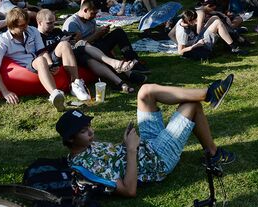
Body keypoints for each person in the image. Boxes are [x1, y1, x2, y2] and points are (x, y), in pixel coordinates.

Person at [56, 75, 235, 197]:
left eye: (89, 126)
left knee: (145, 92)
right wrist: (132, 150)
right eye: (83, 131)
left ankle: (209, 93)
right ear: (70, 139)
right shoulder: (87, 166)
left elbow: (115, 160)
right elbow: (129, 190)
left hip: (145, 147)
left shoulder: (85, 145)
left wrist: (126, 144)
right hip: (157, 160)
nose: (91, 132)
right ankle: (213, 154)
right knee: (191, 106)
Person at [0, 8, 89, 109]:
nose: (25, 28)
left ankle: (75, 83)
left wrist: (50, 65)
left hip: (40, 61)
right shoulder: (2, 41)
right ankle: (54, 94)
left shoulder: (32, 30)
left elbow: (42, 51)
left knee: (65, 44)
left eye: (26, 24)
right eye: (21, 26)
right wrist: (5, 92)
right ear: (11, 26)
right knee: (40, 60)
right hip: (24, 67)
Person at [36, 9, 141, 93]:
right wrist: (51, 62)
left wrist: (72, 38)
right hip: (54, 58)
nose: (52, 26)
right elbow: (42, 53)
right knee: (71, 44)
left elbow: (70, 42)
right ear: (39, 23)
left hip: (70, 54)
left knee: (87, 57)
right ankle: (117, 65)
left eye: (54, 22)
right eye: (49, 23)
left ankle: (120, 83)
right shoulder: (37, 36)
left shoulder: (57, 31)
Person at [63, 0, 149, 74]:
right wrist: (96, 35)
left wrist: (103, 32)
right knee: (99, 45)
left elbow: (96, 36)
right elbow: (78, 47)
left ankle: (132, 60)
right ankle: (122, 68)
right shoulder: (73, 23)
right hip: (86, 52)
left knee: (119, 32)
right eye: (93, 13)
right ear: (85, 10)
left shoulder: (91, 20)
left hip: (96, 45)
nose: (94, 16)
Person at [172, 10, 247, 60]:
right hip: (199, 45)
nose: (197, 21)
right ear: (189, 21)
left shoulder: (181, 21)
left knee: (215, 18)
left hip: (197, 39)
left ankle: (233, 38)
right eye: (195, 20)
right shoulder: (183, 33)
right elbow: (180, 51)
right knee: (218, 23)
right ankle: (234, 47)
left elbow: (170, 34)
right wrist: (196, 45)